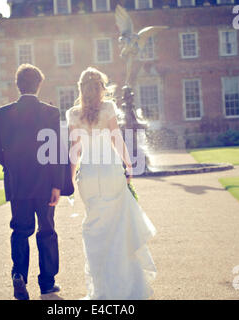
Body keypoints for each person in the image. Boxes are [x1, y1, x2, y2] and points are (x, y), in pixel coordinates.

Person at [66, 67, 156, 300]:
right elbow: (117, 139)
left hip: (88, 177)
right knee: (118, 229)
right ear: (100, 88)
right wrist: (128, 165)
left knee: (94, 230)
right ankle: (125, 288)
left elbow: (75, 150)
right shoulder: (108, 108)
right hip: (110, 173)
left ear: (81, 89)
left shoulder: (72, 114)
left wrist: (69, 177)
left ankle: (103, 290)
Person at [0, 64, 65, 300]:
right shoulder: (51, 113)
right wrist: (57, 185)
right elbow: (57, 151)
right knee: (47, 231)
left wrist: (11, 165)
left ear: (17, 84)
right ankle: (47, 283)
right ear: (39, 85)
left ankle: (19, 275)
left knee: (20, 230)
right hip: (45, 184)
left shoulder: (2, 114)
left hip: (17, 182)